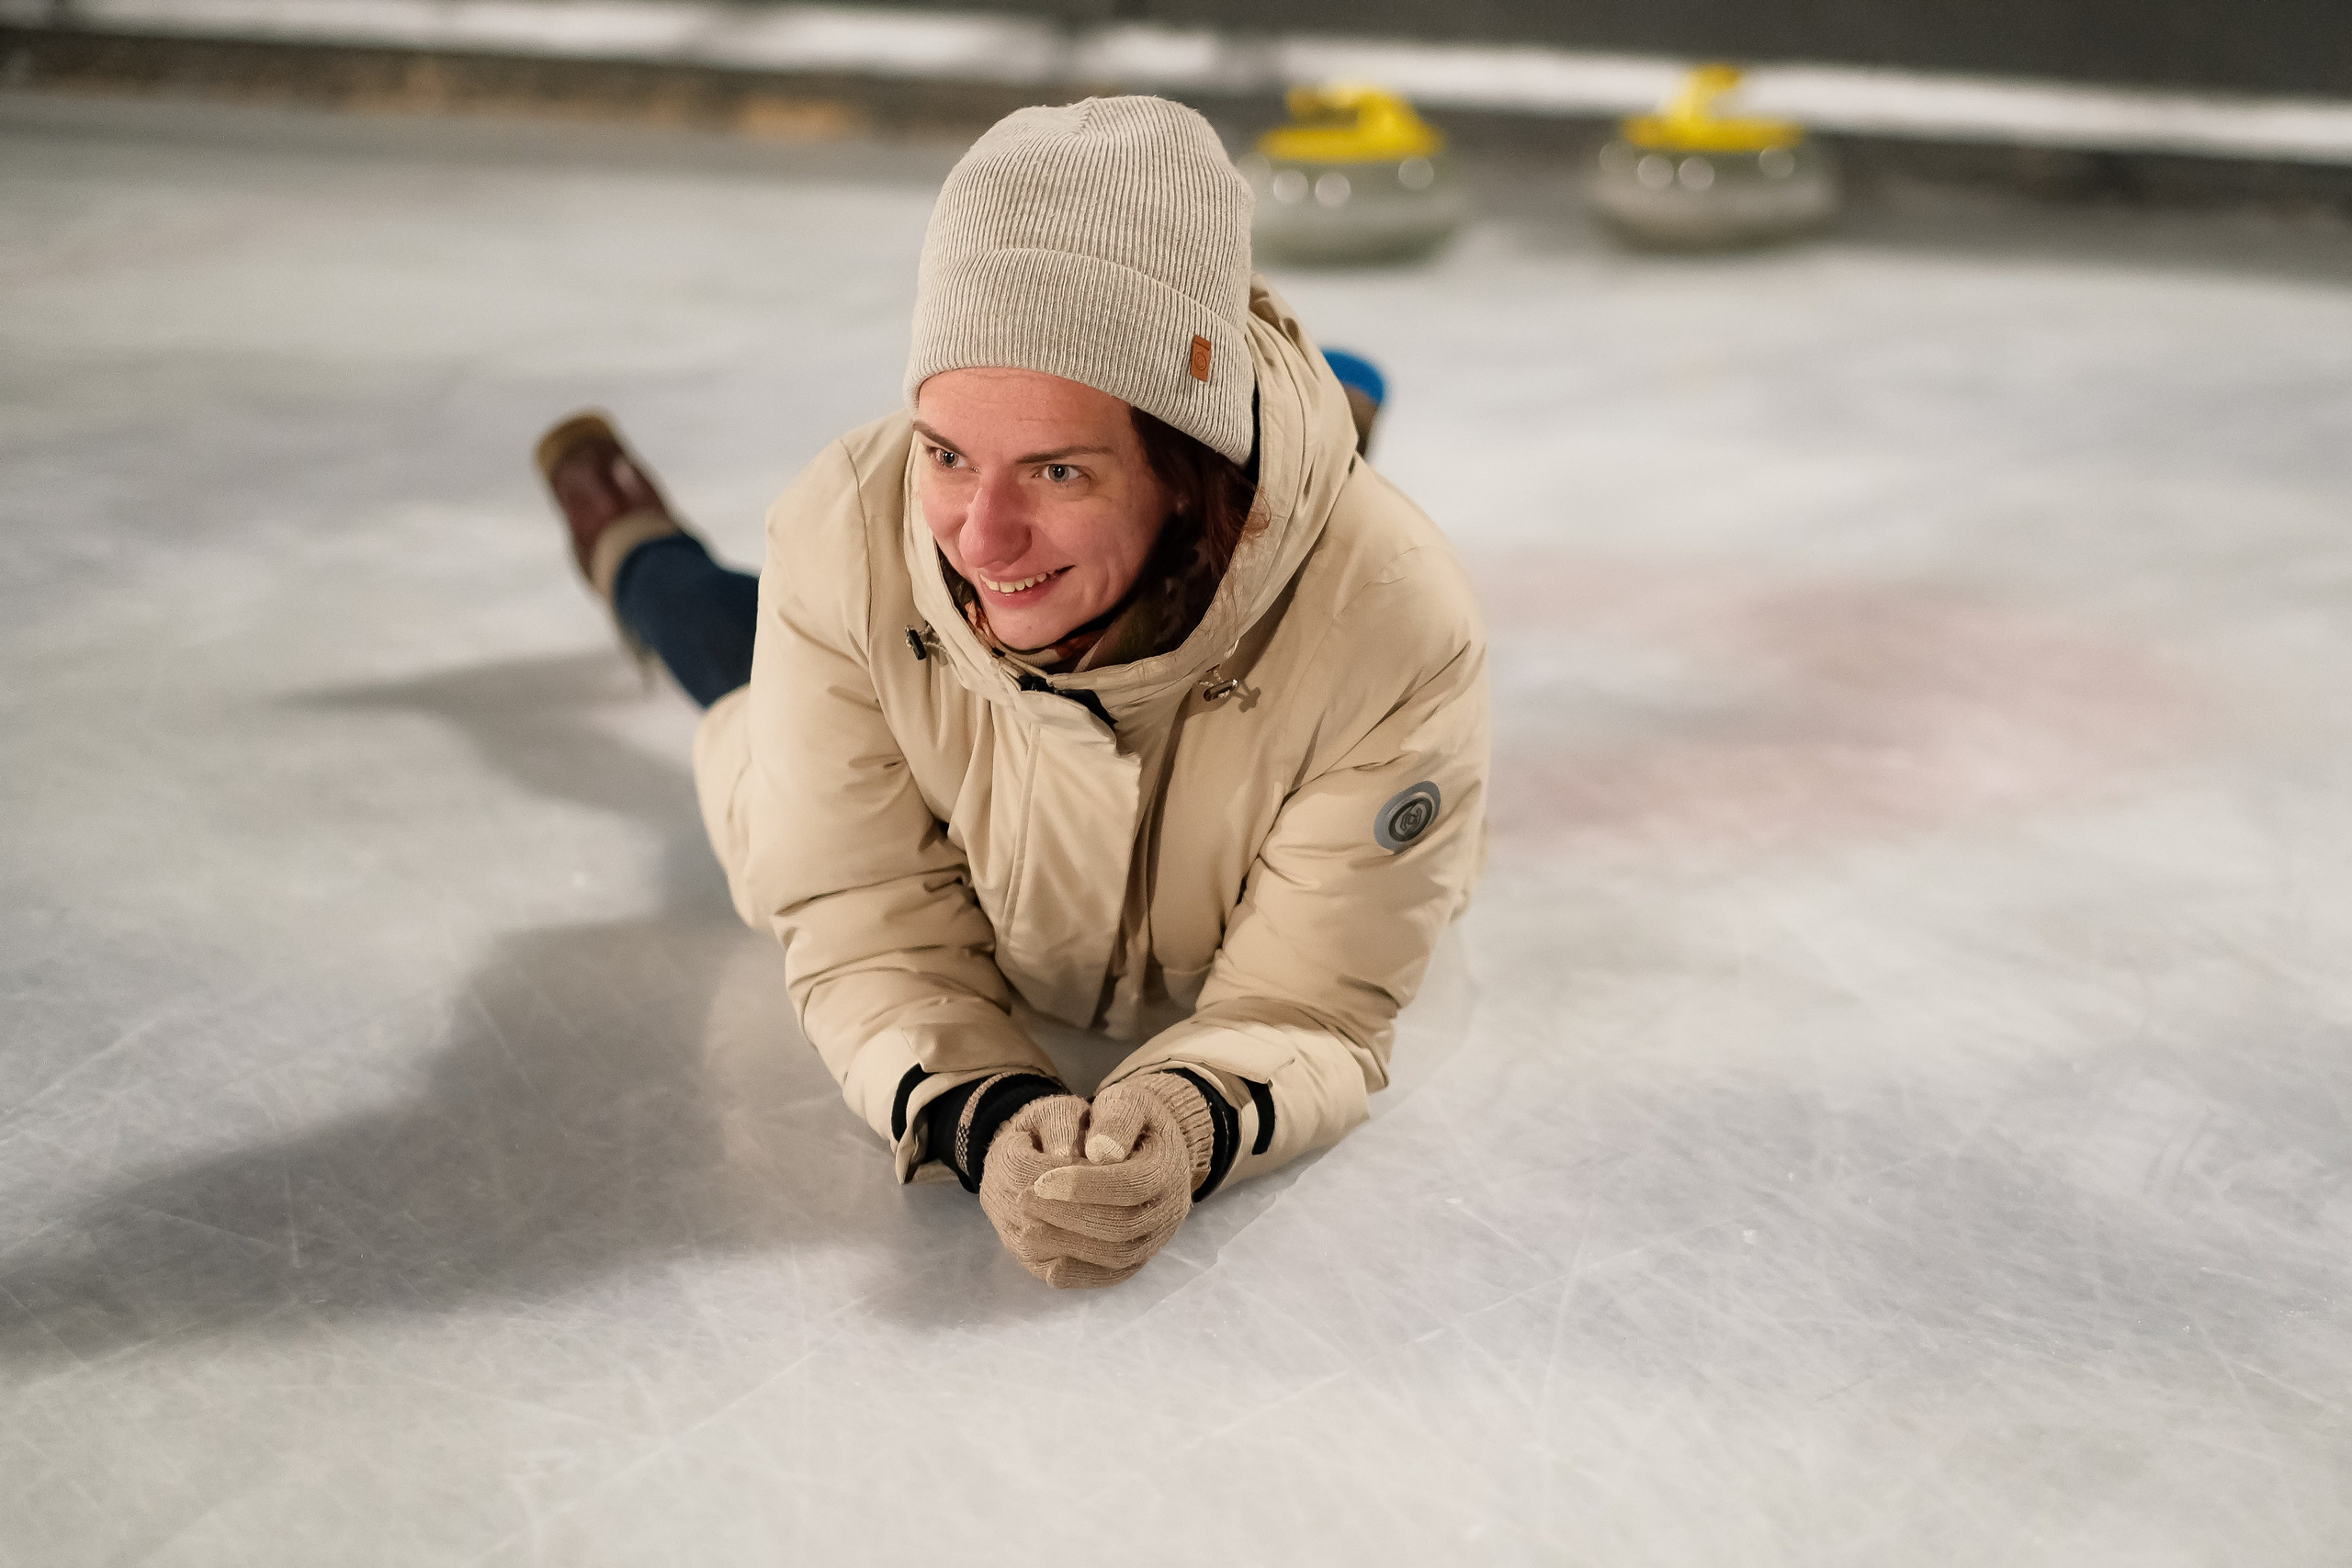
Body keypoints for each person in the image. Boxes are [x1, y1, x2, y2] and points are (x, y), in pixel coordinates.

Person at [533, 96, 1488, 1289]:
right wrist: (981, 1109)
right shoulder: (851, 538)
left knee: (1305, 572)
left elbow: (1315, 998)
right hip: (879, 676)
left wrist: (1192, 1118)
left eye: (1056, 467)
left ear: (1191, 472)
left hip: (1257, 529)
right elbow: (859, 911)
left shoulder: (1394, 618)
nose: (977, 539)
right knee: (727, 669)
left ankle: (1312, 424)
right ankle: (627, 536)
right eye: (944, 452)